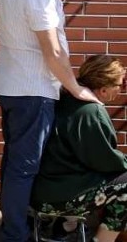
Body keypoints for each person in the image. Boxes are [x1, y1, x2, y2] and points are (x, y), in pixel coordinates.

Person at [0, 0, 100, 242]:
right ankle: (15, 234)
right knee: (24, 166)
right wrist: (74, 87)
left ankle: (11, 222)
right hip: (33, 89)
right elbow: (52, 50)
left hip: (12, 84)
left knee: (14, 160)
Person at [32, 55, 127, 242]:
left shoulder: (65, 97)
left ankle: (66, 226)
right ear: (104, 89)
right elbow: (105, 162)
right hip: (60, 196)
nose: (122, 90)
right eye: (121, 84)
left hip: (42, 189)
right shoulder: (91, 112)